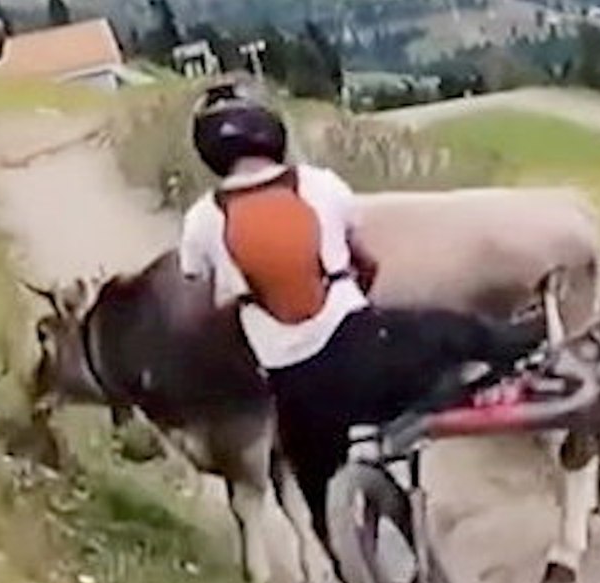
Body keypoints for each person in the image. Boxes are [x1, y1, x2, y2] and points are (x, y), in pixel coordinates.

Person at [178, 77, 547, 549]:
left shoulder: (202, 220)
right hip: (364, 356)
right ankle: (517, 348)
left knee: (316, 493)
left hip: (298, 393)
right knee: (446, 331)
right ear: (273, 132)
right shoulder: (319, 185)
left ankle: (349, 568)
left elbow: (200, 287)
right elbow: (365, 259)